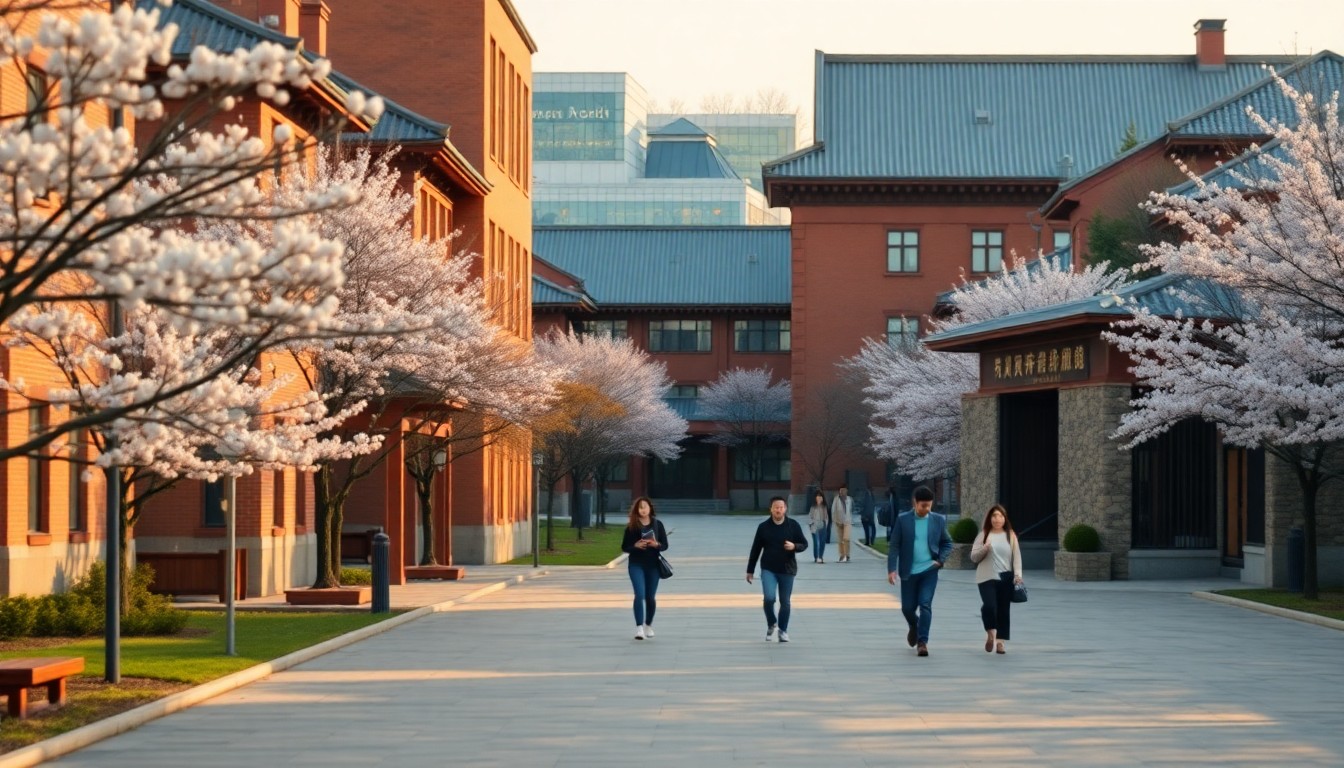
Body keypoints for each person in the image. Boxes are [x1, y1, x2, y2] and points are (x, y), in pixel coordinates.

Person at [886, 485, 953, 657]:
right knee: (907, 608)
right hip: (909, 571)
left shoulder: (938, 520)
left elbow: (947, 542)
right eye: (923, 506)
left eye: (929, 505)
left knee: (925, 604)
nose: (927, 509)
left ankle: (923, 642)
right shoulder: (903, 520)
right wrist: (892, 569)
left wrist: (940, 560)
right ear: (915, 503)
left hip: (929, 570)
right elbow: (894, 546)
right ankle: (914, 625)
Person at [746, 496, 809, 642]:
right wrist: (750, 570)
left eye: (781, 507)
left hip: (787, 569)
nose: (778, 510)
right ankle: (771, 623)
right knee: (769, 598)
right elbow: (755, 549)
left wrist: (794, 546)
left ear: (785, 509)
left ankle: (783, 630)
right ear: (771, 509)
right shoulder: (763, 527)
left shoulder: (793, 525)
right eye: (776, 507)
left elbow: (804, 544)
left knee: (785, 601)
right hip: (768, 568)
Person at [970, 503, 1023, 655]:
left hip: (1006, 577)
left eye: (1000, 516)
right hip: (986, 577)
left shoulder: (1010, 535)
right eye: (994, 516)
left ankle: (1000, 642)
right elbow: (973, 557)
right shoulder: (983, 535)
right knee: (989, 606)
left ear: (1005, 519)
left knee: (1003, 610)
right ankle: (990, 632)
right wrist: (985, 548)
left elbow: (1017, 557)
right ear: (990, 518)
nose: (997, 519)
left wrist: (1018, 575)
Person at [620, 496, 668, 640]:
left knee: (650, 597)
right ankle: (639, 628)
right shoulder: (632, 527)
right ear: (636, 510)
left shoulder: (657, 524)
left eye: (645, 507)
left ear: (650, 508)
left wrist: (656, 544)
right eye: (640, 507)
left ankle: (648, 625)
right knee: (639, 594)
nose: (643, 510)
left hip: (653, 565)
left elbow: (665, 545)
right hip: (636, 564)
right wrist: (635, 546)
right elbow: (625, 547)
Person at [831, 484, 854, 562]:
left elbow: (851, 509)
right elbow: (833, 510)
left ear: (846, 491)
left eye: (843, 490)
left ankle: (847, 554)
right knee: (840, 540)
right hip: (839, 522)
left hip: (847, 522)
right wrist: (834, 520)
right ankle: (842, 555)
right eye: (840, 490)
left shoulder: (849, 499)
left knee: (846, 538)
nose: (842, 492)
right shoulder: (836, 499)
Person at [807, 490, 829, 563]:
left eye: (820, 496)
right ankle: (816, 557)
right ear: (815, 498)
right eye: (818, 496)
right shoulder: (813, 507)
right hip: (814, 525)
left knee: (822, 542)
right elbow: (810, 517)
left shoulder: (824, 506)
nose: (819, 498)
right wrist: (811, 524)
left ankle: (820, 556)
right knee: (816, 542)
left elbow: (826, 517)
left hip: (822, 524)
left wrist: (825, 524)